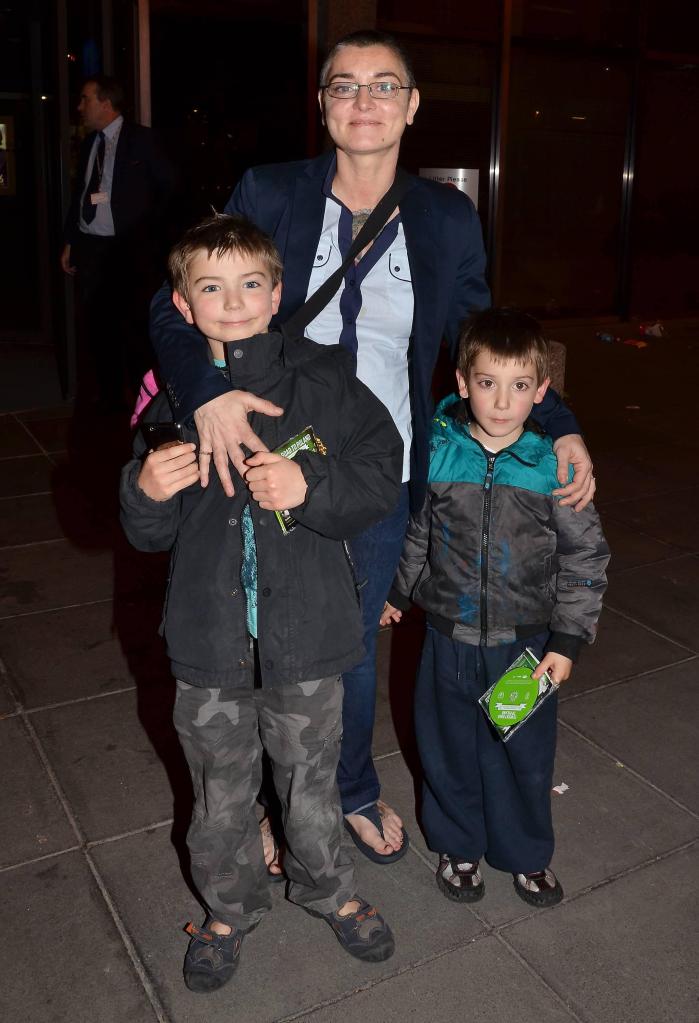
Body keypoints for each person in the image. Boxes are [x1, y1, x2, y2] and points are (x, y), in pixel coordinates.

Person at [148, 29, 596, 864]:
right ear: (321, 104)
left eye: (383, 86)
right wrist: (207, 395)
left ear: (412, 106)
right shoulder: (270, 189)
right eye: (344, 86)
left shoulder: (443, 215)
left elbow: (480, 338)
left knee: (348, 643)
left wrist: (555, 420)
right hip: (264, 455)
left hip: (378, 469)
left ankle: (343, 785)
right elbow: (172, 305)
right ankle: (263, 801)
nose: (364, 102)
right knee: (251, 636)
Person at [120, 214, 403, 992]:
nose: (234, 300)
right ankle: (228, 907)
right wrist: (144, 490)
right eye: (210, 287)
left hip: (307, 634)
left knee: (311, 780)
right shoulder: (168, 395)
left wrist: (310, 486)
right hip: (209, 642)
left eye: (250, 283)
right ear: (182, 305)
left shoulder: (320, 378)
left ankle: (329, 890)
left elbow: (382, 467)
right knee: (219, 793)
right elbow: (146, 531)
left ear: (277, 292)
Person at [381, 308, 609, 906]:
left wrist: (566, 642)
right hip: (446, 638)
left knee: (523, 757)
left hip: (524, 646)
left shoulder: (554, 467)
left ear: (541, 391)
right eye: (487, 383)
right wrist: (399, 593)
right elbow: (418, 534)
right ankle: (458, 847)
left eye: (518, 387)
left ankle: (525, 855)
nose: (502, 402)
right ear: (462, 383)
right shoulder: (439, 452)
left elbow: (586, 558)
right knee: (447, 748)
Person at [61, 75, 177, 410]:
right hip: (91, 248)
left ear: (105, 102)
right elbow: (80, 195)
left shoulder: (141, 140)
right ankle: (108, 397)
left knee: (134, 325)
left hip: (128, 250)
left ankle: (143, 400)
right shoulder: (89, 144)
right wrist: (71, 241)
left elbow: (169, 188)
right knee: (98, 325)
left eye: (85, 99)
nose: (80, 107)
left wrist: (149, 236)